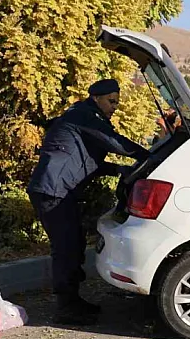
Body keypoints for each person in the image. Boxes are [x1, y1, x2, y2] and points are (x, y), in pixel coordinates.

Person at [27, 79, 150, 325]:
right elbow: (116, 143)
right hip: (54, 191)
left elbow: (85, 161)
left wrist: (119, 169)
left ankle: (73, 301)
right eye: (111, 101)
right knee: (66, 248)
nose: (115, 106)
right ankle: (66, 308)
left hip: (59, 190)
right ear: (96, 98)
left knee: (74, 244)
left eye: (117, 101)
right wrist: (151, 156)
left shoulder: (83, 116)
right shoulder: (85, 116)